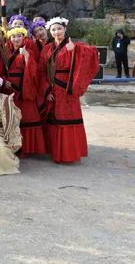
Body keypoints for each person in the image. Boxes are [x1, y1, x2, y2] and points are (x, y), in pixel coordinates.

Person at [39, 17, 99, 164]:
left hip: (68, 89)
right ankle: (55, 151)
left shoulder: (74, 46)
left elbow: (93, 53)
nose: (56, 32)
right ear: (50, 32)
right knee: (54, 120)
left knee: (67, 119)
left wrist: (75, 50)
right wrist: (46, 90)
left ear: (65, 29)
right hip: (53, 89)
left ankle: (68, 154)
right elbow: (42, 71)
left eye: (59, 28)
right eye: (53, 29)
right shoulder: (47, 48)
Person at [5, 26, 46, 156]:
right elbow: (2, 69)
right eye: (13, 36)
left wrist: (27, 57)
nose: (16, 39)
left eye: (19, 36)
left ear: (24, 38)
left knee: (28, 116)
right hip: (10, 88)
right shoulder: (7, 52)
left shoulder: (29, 51)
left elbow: (35, 71)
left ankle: (28, 148)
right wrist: (5, 80)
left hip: (24, 88)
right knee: (13, 117)